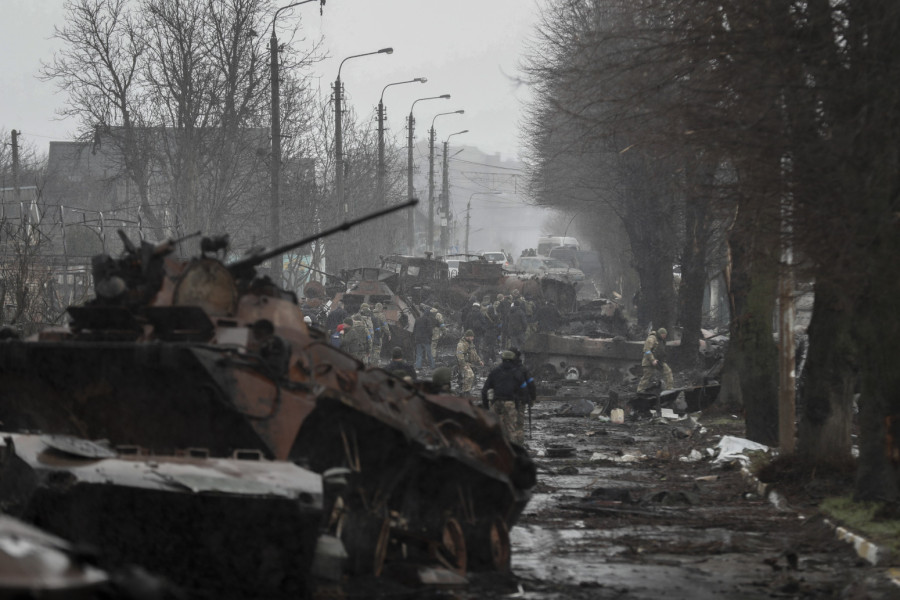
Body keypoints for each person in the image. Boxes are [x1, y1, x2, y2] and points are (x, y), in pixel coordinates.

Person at [481, 350, 528, 444]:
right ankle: (512, 451)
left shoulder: (495, 372)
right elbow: (523, 391)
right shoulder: (517, 373)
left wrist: (486, 406)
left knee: (493, 427)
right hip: (510, 403)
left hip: (496, 402)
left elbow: (484, 390)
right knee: (510, 428)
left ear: (502, 359)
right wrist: (519, 407)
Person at [637, 327, 674, 392]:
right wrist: (652, 360)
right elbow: (647, 350)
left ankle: (669, 388)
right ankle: (640, 390)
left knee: (668, 372)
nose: (665, 337)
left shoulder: (661, 340)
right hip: (649, 361)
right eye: (664, 335)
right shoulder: (651, 339)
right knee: (647, 376)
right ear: (661, 334)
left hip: (659, 360)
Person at [456, 329, 483, 394]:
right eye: (471, 337)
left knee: (472, 377)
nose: (473, 338)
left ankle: (466, 390)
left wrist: (479, 360)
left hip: (470, 363)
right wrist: (464, 365)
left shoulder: (470, 343)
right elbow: (460, 356)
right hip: (463, 363)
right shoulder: (461, 345)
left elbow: (474, 353)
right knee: (470, 375)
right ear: (467, 336)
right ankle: (465, 391)